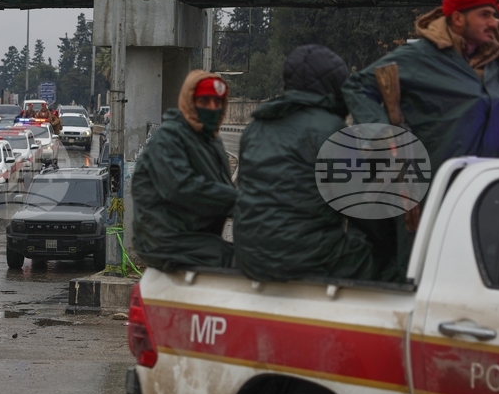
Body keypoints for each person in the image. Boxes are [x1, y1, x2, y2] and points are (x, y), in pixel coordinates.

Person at [234, 45, 380, 282]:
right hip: (308, 259)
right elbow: (361, 208)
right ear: (334, 86)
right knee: (385, 259)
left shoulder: (256, 127)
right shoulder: (333, 131)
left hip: (250, 256)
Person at [342, 0, 499, 171]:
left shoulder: (495, 63)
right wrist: (383, 134)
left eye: (493, 15)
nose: (493, 22)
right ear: (457, 18)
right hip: (437, 186)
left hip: (489, 186)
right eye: (484, 15)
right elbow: (357, 87)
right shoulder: (420, 56)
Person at [132, 71, 238, 270]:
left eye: (218, 103)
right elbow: (181, 187)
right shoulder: (169, 137)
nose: (213, 108)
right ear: (190, 101)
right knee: (240, 264)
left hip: (196, 235)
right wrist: (238, 201)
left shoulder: (210, 142)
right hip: (166, 239)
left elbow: (223, 188)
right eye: (204, 101)